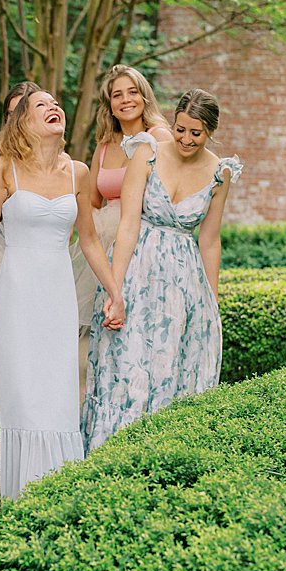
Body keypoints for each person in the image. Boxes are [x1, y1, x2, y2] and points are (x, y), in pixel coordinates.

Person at [0, 84, 121, 505]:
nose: (54, 108)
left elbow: (88, 241)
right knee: (24, 397)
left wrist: (114, 292)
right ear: (23, 121)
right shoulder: (5, 169)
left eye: (56, 104)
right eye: (42, 105)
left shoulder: (79, 172)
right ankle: (21, 498)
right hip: (16, 297)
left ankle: (59, 494)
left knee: (58, 395)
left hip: (58, 297)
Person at [83, 89, 240, 450]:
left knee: (170, 371)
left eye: (196, 133)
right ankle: (110, 458)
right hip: (137, 272)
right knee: (126, 366)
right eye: (180, 129)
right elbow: (127, 224)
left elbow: (210, 241)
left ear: (210, 131)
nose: (186, 139)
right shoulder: (147, 153)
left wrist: (210, 305)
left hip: (183, 286)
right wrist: (115, 288)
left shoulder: (221, 172)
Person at [73, 65, 174, 389]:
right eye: (118, 95)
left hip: (143, 241)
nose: (126, 100)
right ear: (110, 105)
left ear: (144, 96)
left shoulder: (160, 136)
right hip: (105, 247)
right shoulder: (104, 145)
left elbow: (170, 193)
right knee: (106, 326)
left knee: (138, 326)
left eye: (132, 92)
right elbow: (91, 201)